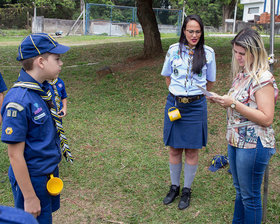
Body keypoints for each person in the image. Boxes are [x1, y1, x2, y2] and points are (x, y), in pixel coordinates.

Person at [1, 33, 73, 224]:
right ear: (41, 61)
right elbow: (15, 155)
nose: (61, 64)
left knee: (45, 217)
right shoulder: (19, 100)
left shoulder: (44, 90)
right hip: (32, 180)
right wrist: (30, 196)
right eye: (57, 59)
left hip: (48, 171)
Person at [209, 28, 278, 223]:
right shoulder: (243, 74)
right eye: (236, 52)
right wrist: (222, 100)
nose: (238, 57)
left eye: (242, 53)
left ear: (254, 52)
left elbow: (266, 118)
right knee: (241, 193)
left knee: (250, 197)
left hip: (253, 144)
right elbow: (240, 107)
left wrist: (232, 103)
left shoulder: (262, 78)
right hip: (236, 141)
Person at [161, 14, 216, 210]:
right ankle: (174, 187)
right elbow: (168, 76)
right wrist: (178, 96)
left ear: (202, 33)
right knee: (174, 148)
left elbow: (210, 82)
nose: (194, 35)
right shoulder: (173, 50)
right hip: (175, 105)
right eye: (190, 31)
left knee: (192, 150)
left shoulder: (208, 53)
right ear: (184, 31)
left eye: (197, 31)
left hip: (196, 107)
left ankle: (186, 190)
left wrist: (192, 96)